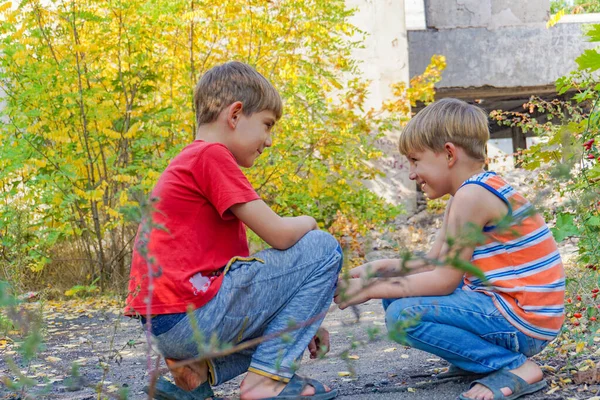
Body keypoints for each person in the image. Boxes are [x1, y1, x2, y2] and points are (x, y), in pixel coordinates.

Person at [125, 61, 343, 400]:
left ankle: (196, 374)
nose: (268, 141)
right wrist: (311, 221)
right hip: (193, 315)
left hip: (170, 323)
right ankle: (267, 382)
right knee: (323, 248)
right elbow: (281, 235)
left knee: (288, 275)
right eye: (267, 125)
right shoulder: (211, 156)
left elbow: (251, 279)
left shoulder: (190, 161)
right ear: (235, 114)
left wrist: (305, 321)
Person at [335, 98, 565, 400]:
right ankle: (475, 361)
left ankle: (514, 367)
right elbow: (434, 261)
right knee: (395, 302)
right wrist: (376, 270)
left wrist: (370, 289)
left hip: (523, 321)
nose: (411, 174)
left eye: (415, 161)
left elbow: (445, 280)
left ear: (448, 153)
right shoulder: (470, 192)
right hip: (515, 314)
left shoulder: (473, 196)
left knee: (403, 314)